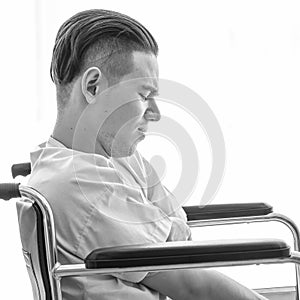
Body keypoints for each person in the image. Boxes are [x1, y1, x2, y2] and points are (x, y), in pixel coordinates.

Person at [26, 9, 268, 300]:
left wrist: (166, 232)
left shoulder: (113, 158)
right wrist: (163, 230)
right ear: (93, 86)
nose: (156, 113)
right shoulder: (83, 184)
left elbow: (179, 233)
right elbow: (191, 284)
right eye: (144, 95)